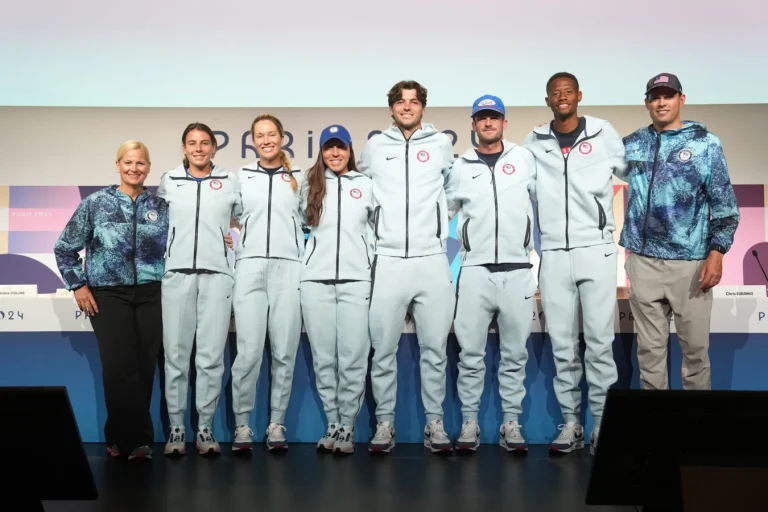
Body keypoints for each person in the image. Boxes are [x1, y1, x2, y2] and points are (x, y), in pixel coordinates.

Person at [522, 72, 628, 455]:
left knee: (600, 344)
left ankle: (601, 424)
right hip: (553, 254)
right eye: (555, 93)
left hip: (596, 250)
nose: (562, 97)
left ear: (578, 96)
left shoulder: (603, 134)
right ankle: (571, 424)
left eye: (568, 92)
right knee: (563, 345)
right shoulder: (533, 142)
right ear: (547, 99)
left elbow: (636, 176)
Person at [619, 73, 739, 392]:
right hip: (643, 263)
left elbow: (724, 204)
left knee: (696, 355)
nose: (661, 102)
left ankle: (696, 433)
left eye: (668, 96)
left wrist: (717, 254)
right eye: (655, 96)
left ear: (680, 100)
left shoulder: (705, 143)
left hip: (691, 265)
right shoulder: (632, 144)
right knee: (650, 356)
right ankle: (656, 435)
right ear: (647, 103)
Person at [357, 80, 456, 454]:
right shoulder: (375, 146)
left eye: (414, 102)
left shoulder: (441, 145)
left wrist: (435, 224)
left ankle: (435, 425)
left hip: (432, 259)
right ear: (391, 108)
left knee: (435, 350)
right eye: (401, 102)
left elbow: (455, 192)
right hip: (389, 259)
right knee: (382, 350)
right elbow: (362, 195)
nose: (407, 107)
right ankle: (385, 424)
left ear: (423, 108)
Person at [54, 140, 168, 461]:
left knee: (145, 368)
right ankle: (129, 439)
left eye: (141, 163)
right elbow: (64, 247)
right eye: (128, 163)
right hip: (107, 294)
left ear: (149, 167)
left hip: (152, 294)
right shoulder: (96, 203)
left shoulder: (161, 206)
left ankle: (129, 439)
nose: (134, 169)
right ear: (117, 165)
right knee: (119, 367)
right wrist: (78, 285)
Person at [446, 95, 537, 453]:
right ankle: (470, 422)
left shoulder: (524, 159)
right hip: (474, 271)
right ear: (473, 124)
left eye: (494, 117)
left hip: (517, 270)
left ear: (504, 122)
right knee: (470, 355)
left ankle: (510, 423)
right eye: (481, 118)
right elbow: (441, 214)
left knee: (515, 355)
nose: (488, 123)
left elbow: (547, 203)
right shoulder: (460, 166)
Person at [158, 123, 243, 456]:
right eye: (192, 143)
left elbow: (245, 220)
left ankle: (204, 427)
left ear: (213, 148)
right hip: (176, 274)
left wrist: (230, 242)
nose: (198, 148)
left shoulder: (230, 181)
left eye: (204, 143)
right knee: (176, 358)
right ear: (183, 148)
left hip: (217, 274)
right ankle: (177, 429)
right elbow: (157, 225)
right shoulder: (169, 181)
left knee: (210, 358)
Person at [229, 114, 305, 453]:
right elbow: (223, 216)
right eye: (259, 136)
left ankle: (276, 424)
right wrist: (231, 241)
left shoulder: (300, 177)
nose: (266, 140)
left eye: (271, 134)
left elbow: (314, 220)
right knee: (247, 353)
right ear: (253, 141)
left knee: (285, 352)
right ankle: (242, 425)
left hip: (290, 268)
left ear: (282, 137)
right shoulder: (241, 177)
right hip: (250, 267)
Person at [300, 124, 373, 455]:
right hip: (315, 281)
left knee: (353, 358)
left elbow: (379, 230)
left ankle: (348, 426)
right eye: (329, 147)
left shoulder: (367, 185)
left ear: (349, 149)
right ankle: (332, 422)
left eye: (340, 147)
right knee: (324, 358)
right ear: (322, 151)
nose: (335, 153)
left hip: (357, 280)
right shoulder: (309, 185)